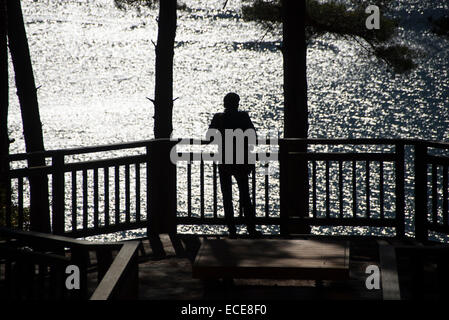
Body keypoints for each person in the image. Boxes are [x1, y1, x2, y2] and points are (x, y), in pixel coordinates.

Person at [208, 92, 261, 238]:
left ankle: (232, 230)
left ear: (224, 104)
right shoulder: (243, 117)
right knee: (245, 195)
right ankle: (251, 228)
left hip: (224, 159)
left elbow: (210, 137)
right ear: (237, 103)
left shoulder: (218, 118)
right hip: (241, 159)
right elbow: (253, 137)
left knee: (227, 196)